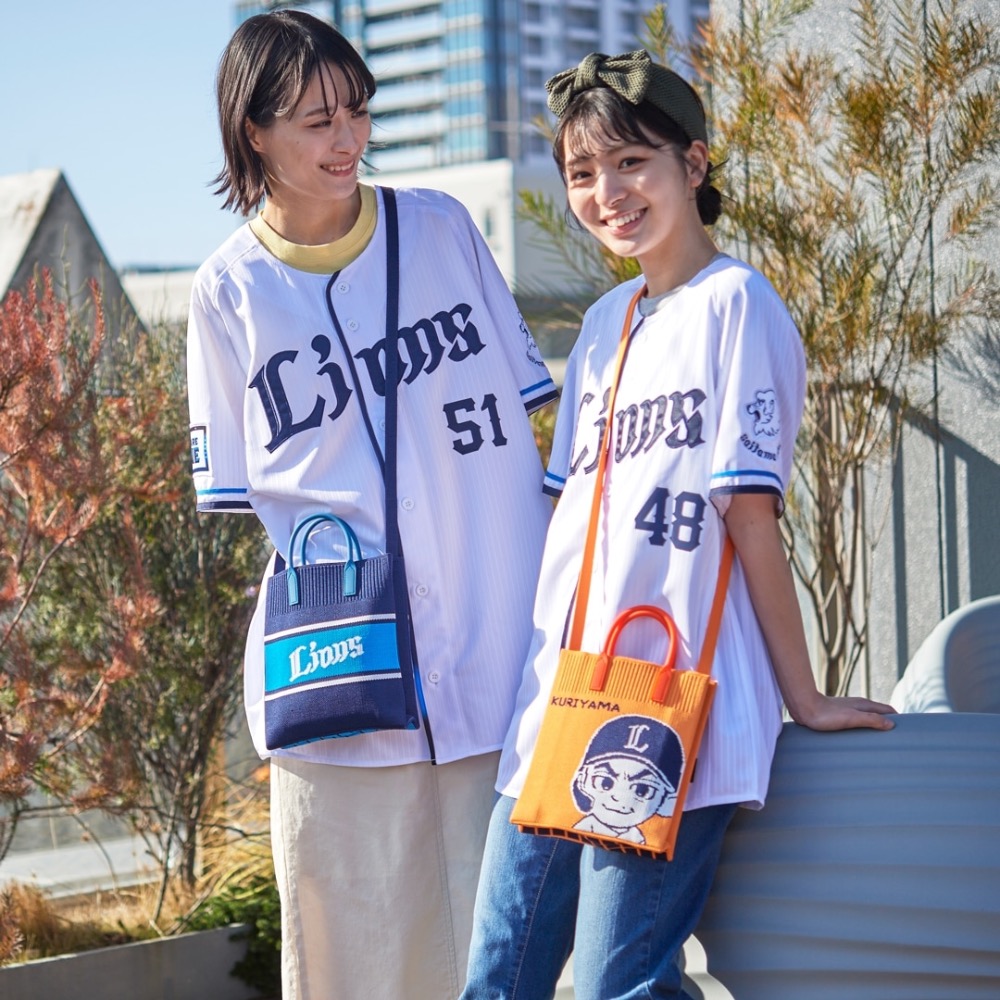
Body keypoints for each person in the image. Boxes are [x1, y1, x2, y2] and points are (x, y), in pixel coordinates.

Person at [460, 50, 897, 1000]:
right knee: (498, 977)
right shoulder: (602, 325)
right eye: (583, 172)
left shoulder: (738, 304)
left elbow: (749, 513)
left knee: (618, 985)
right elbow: (570, 524)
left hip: (668, 701)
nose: (607, 194)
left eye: (632, 163)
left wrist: (803, 698)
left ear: (693, 164)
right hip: (564, 697)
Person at [185, 11, 557, 999]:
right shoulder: (226, 293)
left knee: (520, 961)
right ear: (254, 132)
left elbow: (523, 410)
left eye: (358, 110)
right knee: (355, 965)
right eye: (317, 121)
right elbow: (244, 492)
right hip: (342, 686)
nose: (348, 138)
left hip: (499, 648)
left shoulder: (441, 228)